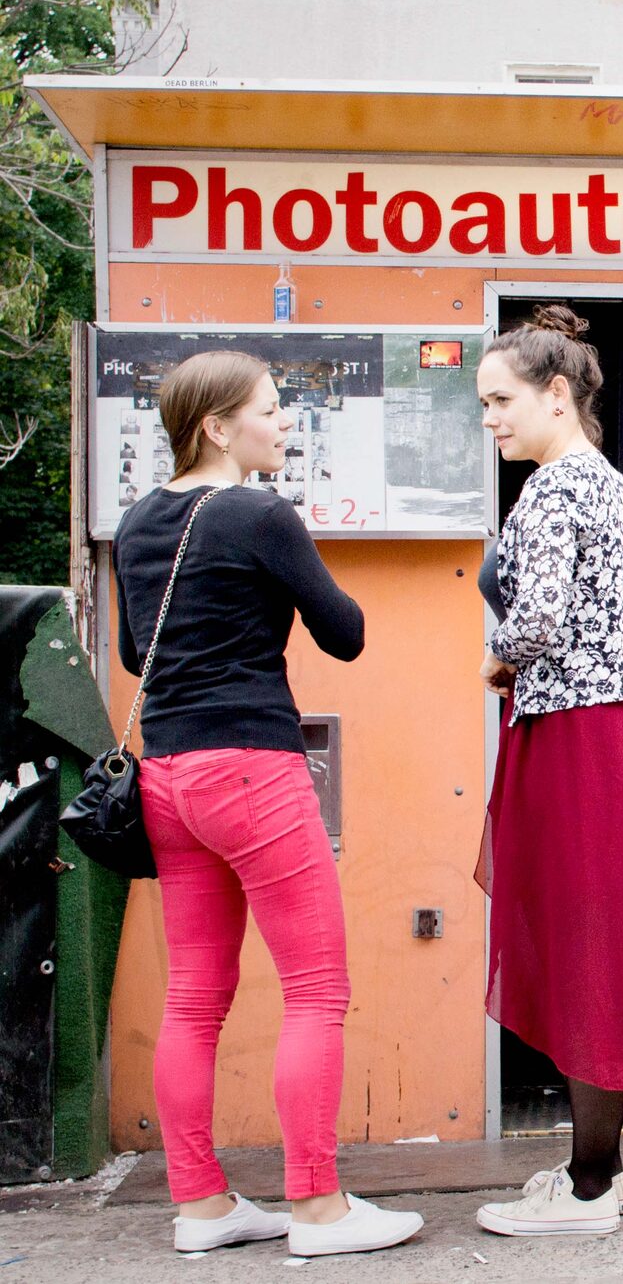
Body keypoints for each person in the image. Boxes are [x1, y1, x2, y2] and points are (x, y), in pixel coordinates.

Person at [116, 351, 422, 1257]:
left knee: (192, 998)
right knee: (317, 990)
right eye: (272, 410)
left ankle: (202, 1206)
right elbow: (348, 631)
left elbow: (139, 657)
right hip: (252, 768)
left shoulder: (138, 522)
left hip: (167, 777)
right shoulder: (260, 513)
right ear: (217, 425)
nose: (286, 424)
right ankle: (317, 1206)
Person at [472, 305, 623, 1236]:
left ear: (556, 395)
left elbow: (541, 619)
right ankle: (597, 1171)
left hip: (580, 740)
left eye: (499, 399)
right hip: (610, 736)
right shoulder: (602, 480)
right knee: (597, 942)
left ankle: (593, 1187)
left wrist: (496, 655)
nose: (489, 418)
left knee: (588, 949)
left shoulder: (559, 488)